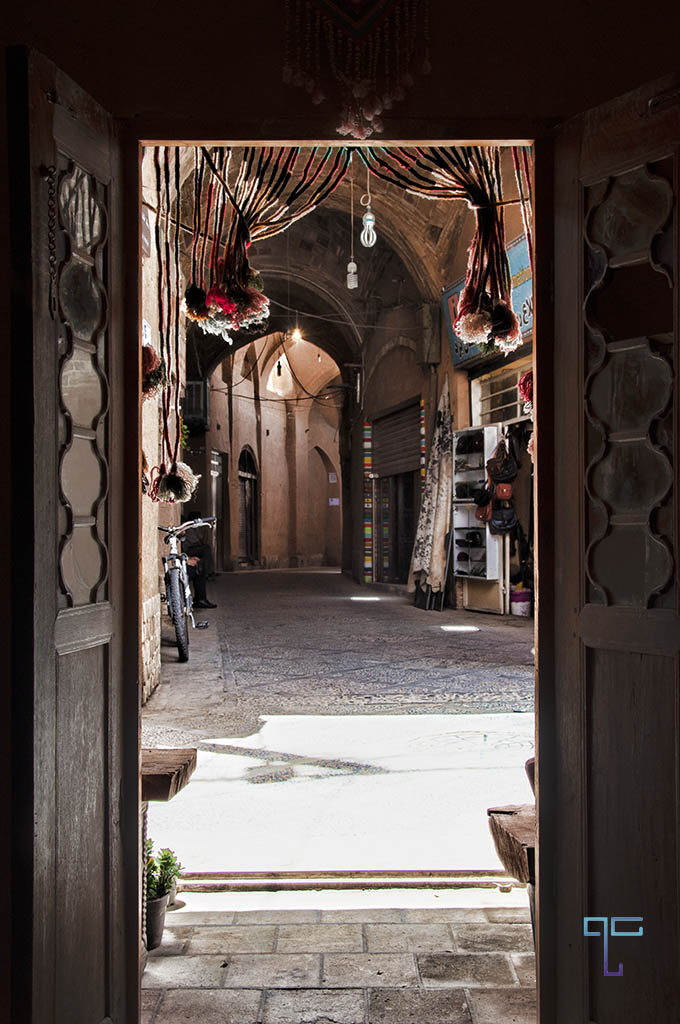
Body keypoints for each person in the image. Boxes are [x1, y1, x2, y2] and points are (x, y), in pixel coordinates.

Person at [181, 513, 217, 609]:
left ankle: (200, 599)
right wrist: (187, 559)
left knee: (200, 566)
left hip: (185, 557)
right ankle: (200, 599)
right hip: (184, 557)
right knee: (200, 565)